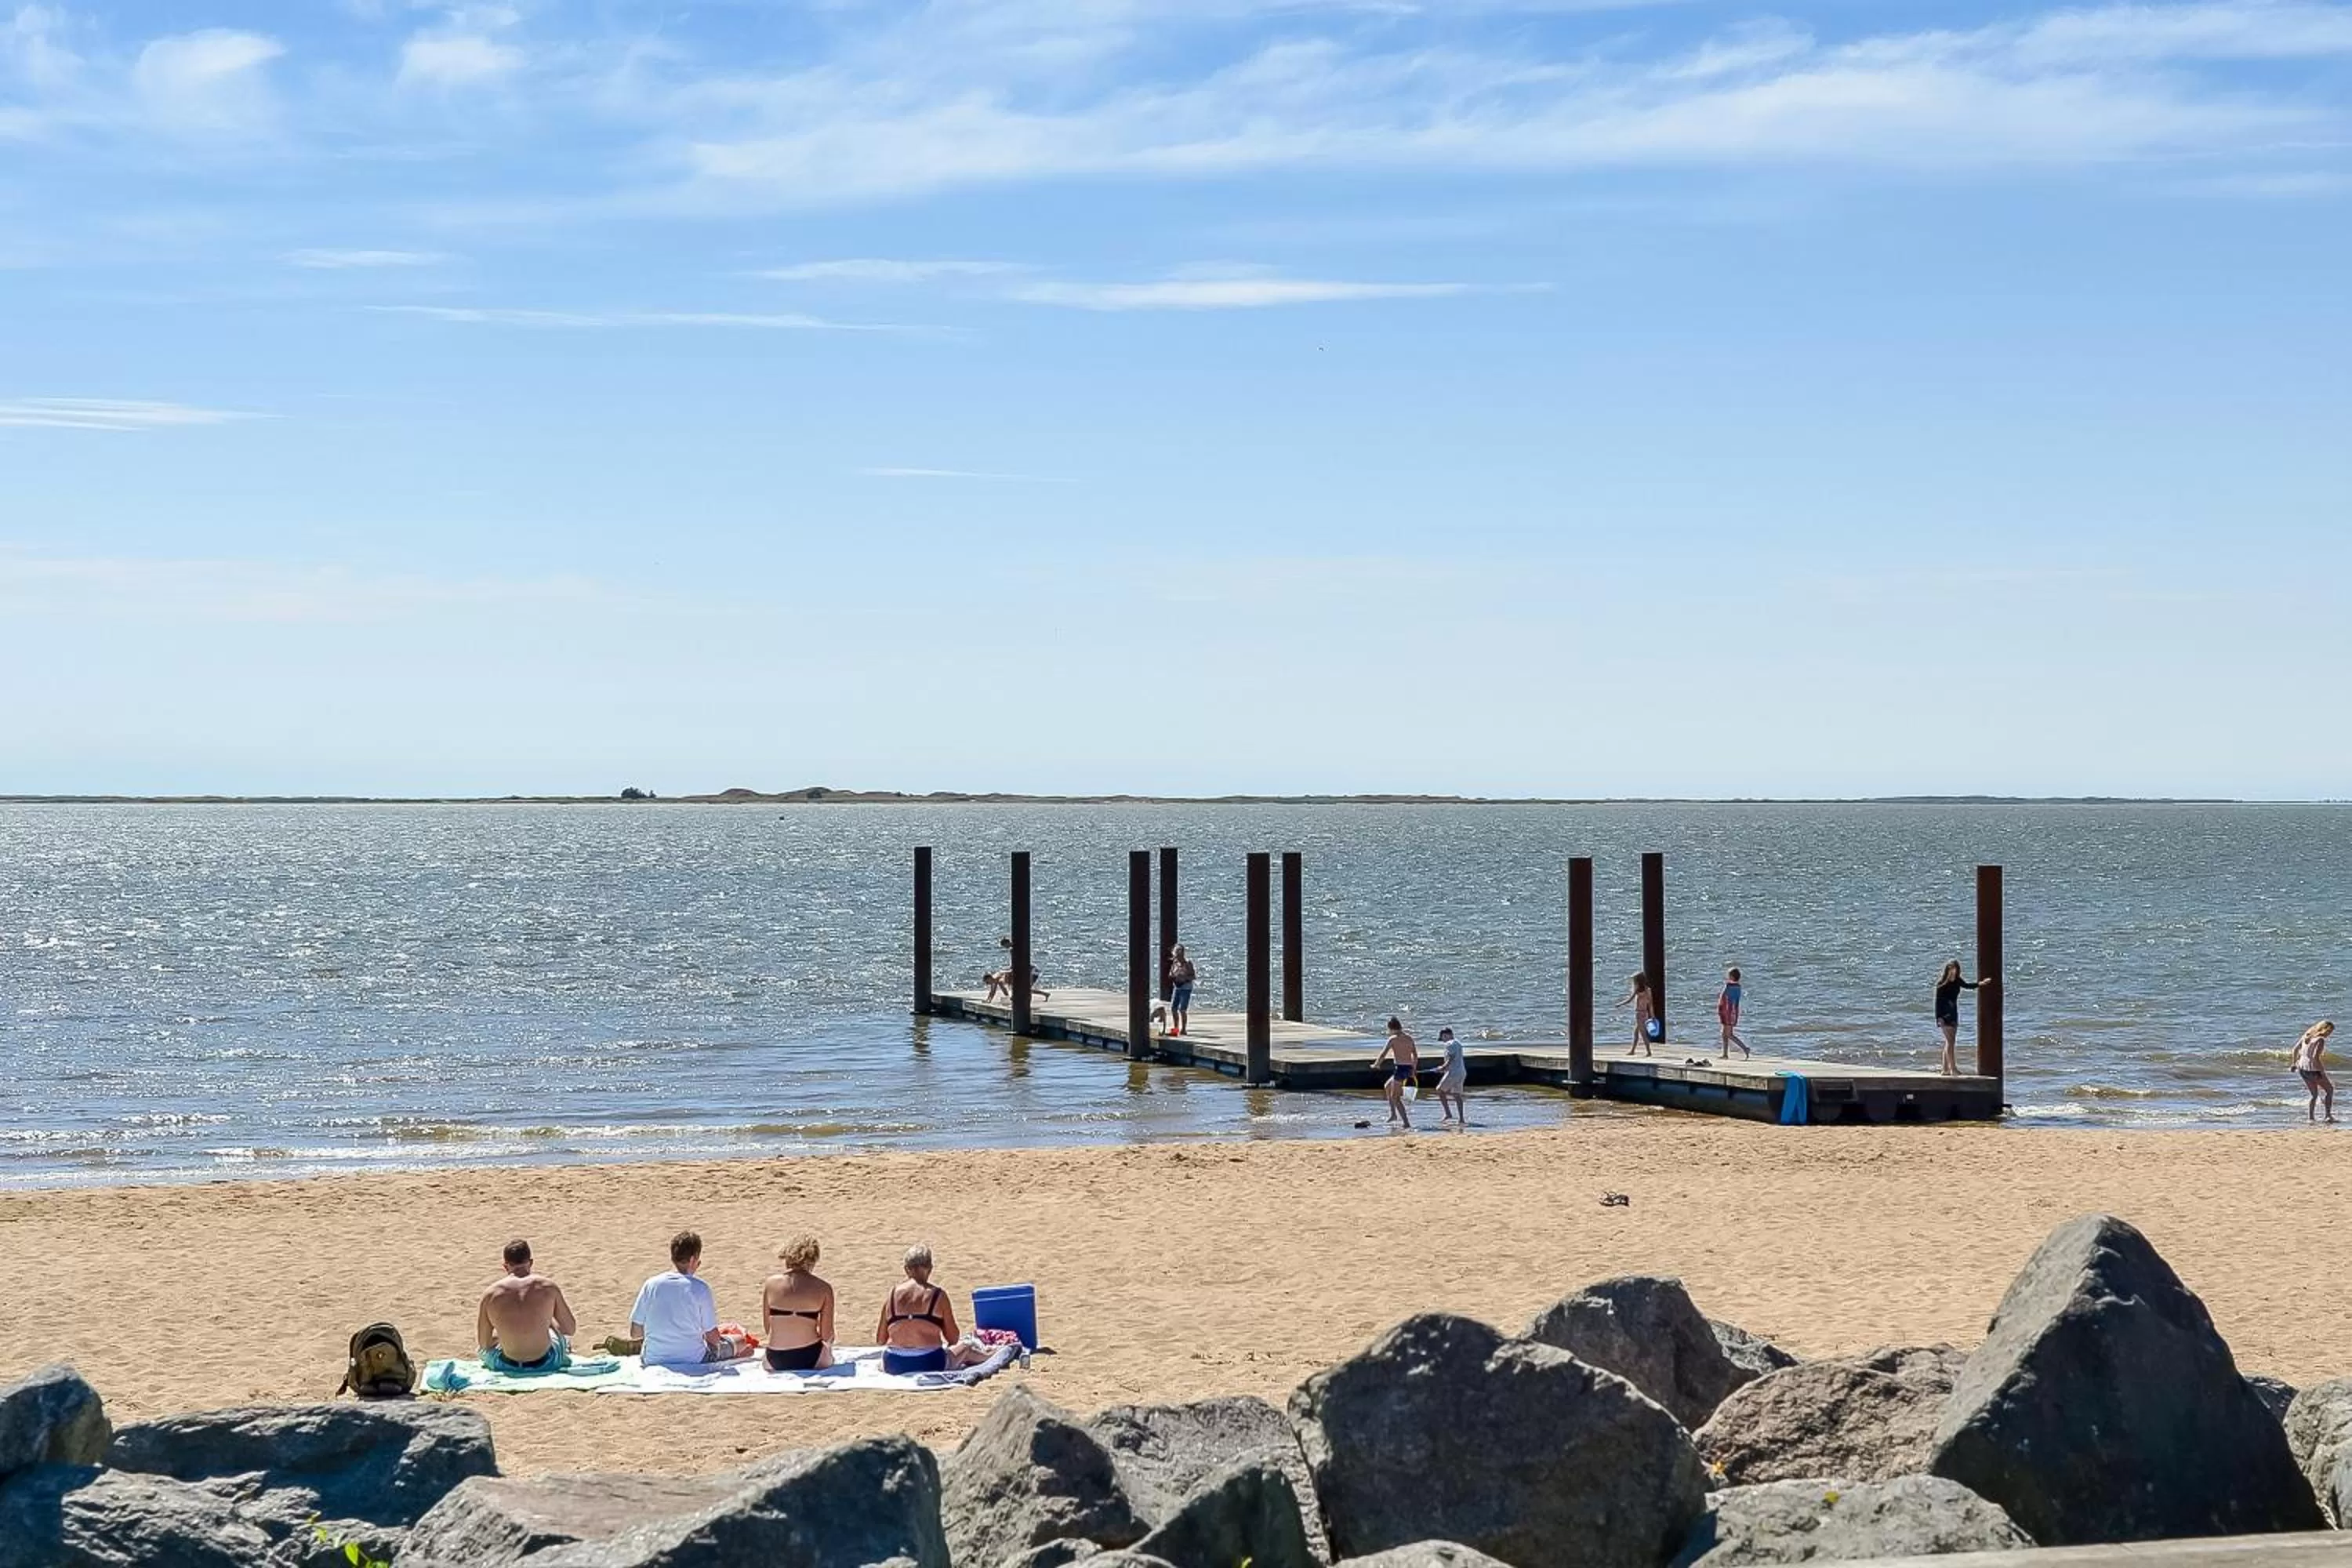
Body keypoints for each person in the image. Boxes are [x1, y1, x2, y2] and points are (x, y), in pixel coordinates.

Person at [629, 1230, 738, 1367]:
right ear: (693, 1259)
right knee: (740, 1342)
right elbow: (713, 1338)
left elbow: (635, 1332)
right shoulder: (700, 1288)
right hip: (694, 1358)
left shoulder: (651, 1284)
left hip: (654, 1358)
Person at [876, 1244, 982, 1374]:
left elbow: (881, 1339)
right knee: (966, 1349)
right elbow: (953, 1338)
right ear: (930, 1269)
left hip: (894, 1362)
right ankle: (992, 1355)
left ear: (906, 1269)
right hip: (929, 1361)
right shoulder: (938, 1295)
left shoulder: (892, 1295)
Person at [477, 1239, 577, 1374]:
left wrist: (506, 1335)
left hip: (506, 1365)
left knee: (482, 1351)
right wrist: (548, 1323)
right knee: (563, 1339)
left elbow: (484, 1344)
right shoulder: (548, 1287)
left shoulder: (490, 1294)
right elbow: (569, 1329)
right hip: (547, 1362)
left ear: (506, 1266)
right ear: (530, 1263)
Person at [760, 1234, 836, 1372]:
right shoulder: (824, 1288)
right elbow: (827, 1335)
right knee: (828, 1352)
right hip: (811, 1356)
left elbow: (767, 1328)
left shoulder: (771, 1284)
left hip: (775, 1357)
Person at [1934, 960, 1985, 1076]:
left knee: (1950, 1042)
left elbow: (1967, 986)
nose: (1953, 971)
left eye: (1955, 969)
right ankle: (1953, 1069)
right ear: (1947, 970)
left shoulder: (1958, 981)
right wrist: (1939, 1018)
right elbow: (1938, 1002)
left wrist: (1981, 984)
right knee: (1950, 1041)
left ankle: (1945, 1069)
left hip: (1953, 1013)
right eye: (1951, 969)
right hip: (1944, 1015)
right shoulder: (1941, 984)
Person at [1371, 1016, 1418, 1128]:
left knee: (1395, 1098)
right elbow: (1415, 1055)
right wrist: (1414, 1069)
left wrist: (1376, 1064)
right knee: (1387, 1086)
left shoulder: (1393, 1039)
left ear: (1391, 1028)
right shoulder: (1409, 1038)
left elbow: (1383, 1054)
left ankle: (1406, 1123)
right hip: (1408, 1068)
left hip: (1400, 1070)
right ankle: (1393, 1114)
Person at [2294, 1022, 2336, 1124]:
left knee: (2314, 1095)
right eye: (2329, 1031)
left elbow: (2295, 1049)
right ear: (2324, 1029)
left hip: (2302, 1068)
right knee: (2330, 1090)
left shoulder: (2307, 1036)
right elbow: (2315, 1058)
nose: (2329, 1034)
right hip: (2313, 1070)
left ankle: (2311, 1118)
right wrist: (2322, 1072)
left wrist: (2293, 1063)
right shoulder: (2320, 1040)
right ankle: (2328, 1116)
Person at [1433, 1026, 1468, 1125]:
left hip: (1453, 1073)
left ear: (1445, 1035)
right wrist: (1444, 1069)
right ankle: (1461, 1119)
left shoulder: (1449, 1044)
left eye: (1442, 1038)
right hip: (1461, 1072)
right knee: (1457, 1095)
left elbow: (1451, 1058)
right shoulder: (1458, 1043)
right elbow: (1455, 1059)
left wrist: (1443, 1067)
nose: (1443, 1041)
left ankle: (1448, 1113)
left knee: (1439, 1090)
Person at [1617, 972, 1656, 1056]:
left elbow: (1629, 1000)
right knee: (1636, 1032)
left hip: (1639, 1013)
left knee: (1643, 1033)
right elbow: (1650, 1004)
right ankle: (1633, 1050)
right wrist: (1652, 1016)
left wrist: (1620, 1004)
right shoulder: (1648, 990)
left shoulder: (1638, 990)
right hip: (1645, 1013)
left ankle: (1649, 1052)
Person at [1717, 967, 1751, 1060]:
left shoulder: (1728, 986)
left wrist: (1720, 1010)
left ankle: (1745, 1048)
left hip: (1727, 1011)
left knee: (1728, 1034)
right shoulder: (1738, 987)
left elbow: (1723, 998)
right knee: (1724, 1034)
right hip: (1733, 1012)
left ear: (1731, 976)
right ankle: (1725, 1054)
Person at [1167, 945, 1198, 1037]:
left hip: (1186, 988)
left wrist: (1184, 978)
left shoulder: (1188, 963)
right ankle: (1176, 1028)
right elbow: (1171, 973)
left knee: (1182, 1009)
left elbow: (1193, 976)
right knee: (1173, 1008)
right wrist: (1173, 976)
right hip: (1177, 987)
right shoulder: (1175, 963)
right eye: (1177, 954)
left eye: (1180, 954)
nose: (1178, 956)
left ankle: (1184, 1029)